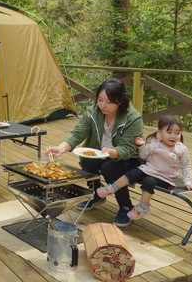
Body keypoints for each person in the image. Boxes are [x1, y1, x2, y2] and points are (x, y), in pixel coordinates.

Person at [46, 78, 144, 227]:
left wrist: (111, 152)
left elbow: (129, 149)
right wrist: (61, 147)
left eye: (109, 102)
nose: (103, 105)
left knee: (110, 167)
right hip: (102, 153)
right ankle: (96, 195)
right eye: (99, 100)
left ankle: (125, 206)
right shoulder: (93, 112)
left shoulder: (133, 118)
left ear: (120, 100)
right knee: (87, 160)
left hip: (129, 159)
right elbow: (78, 133)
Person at [96, 116, 192, 219]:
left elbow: (186, 165)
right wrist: (141, 146)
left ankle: (143, 207)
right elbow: (143, 156)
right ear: (159, 131)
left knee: (148, 181)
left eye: (178, 133)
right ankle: (112, 188)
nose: (174, 136)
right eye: (169, 132)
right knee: (134, 172)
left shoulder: (181, 149)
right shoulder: (154, 144)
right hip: (150, 169)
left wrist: (188, 182)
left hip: (166, 177)